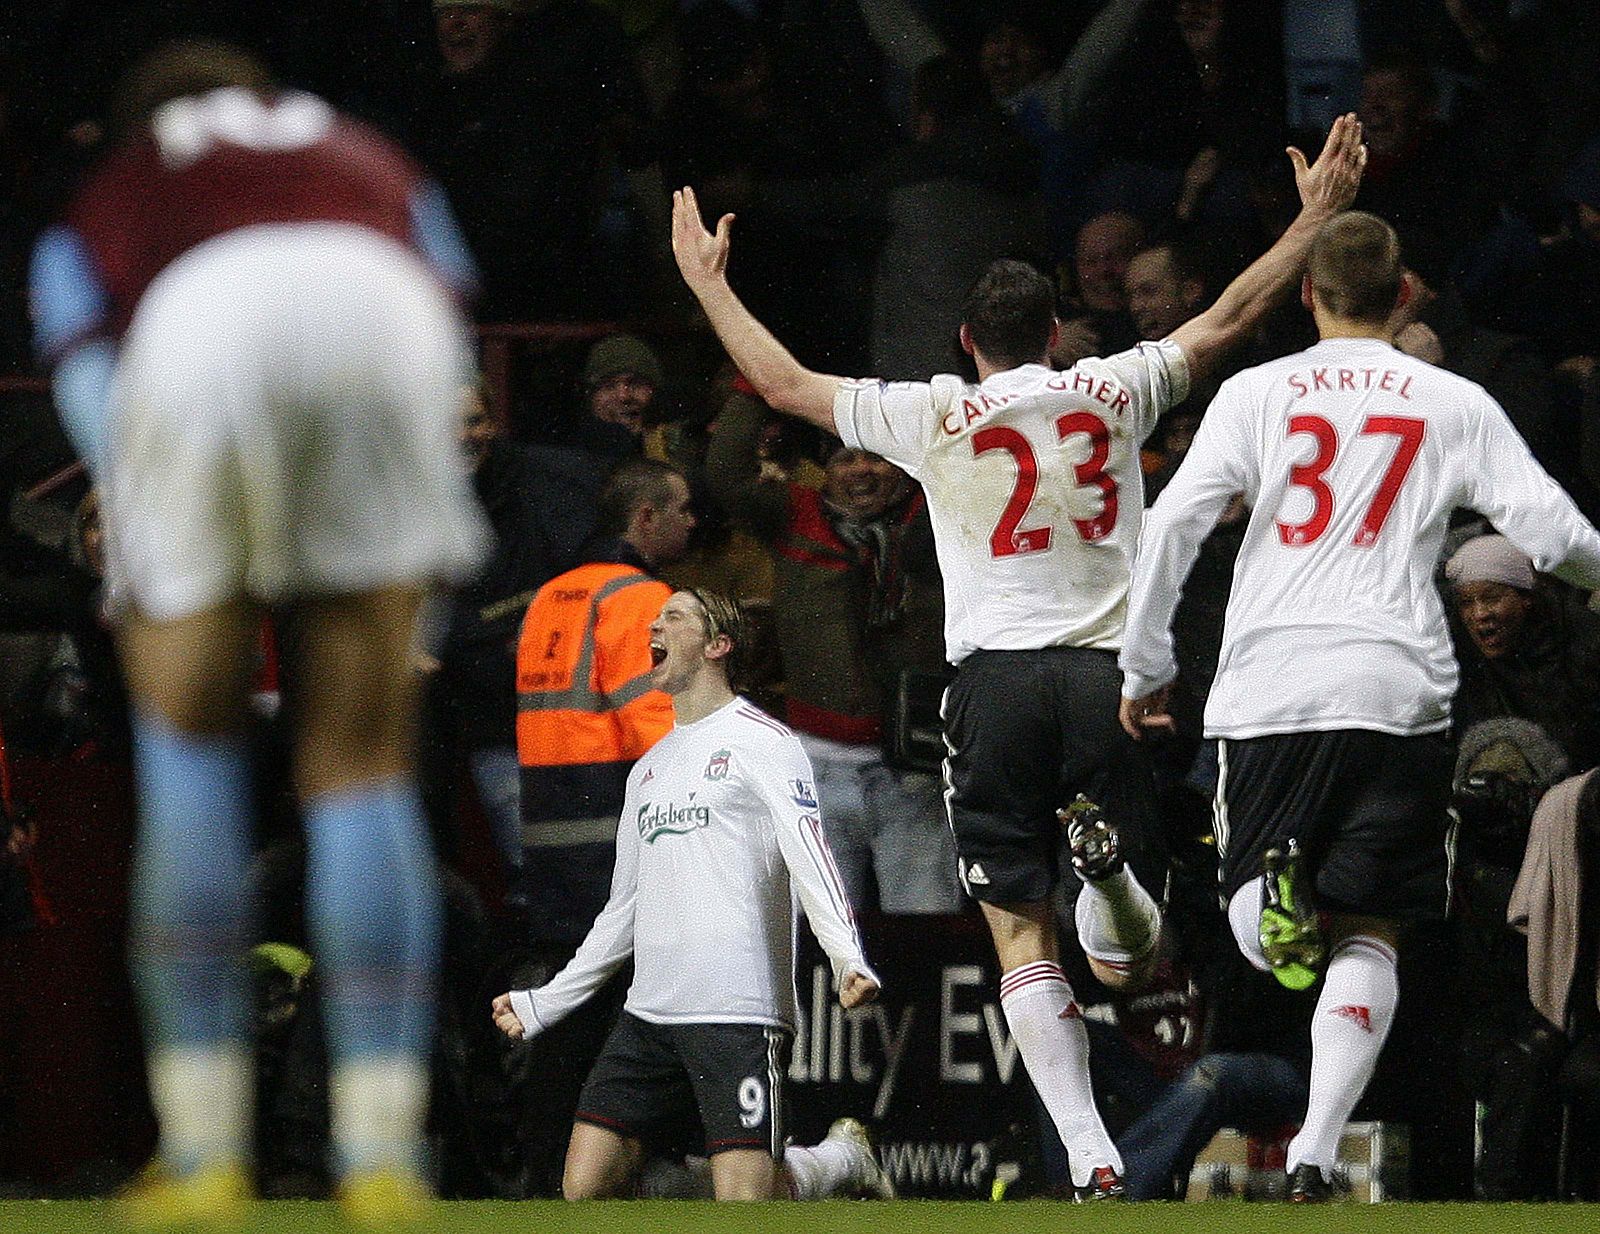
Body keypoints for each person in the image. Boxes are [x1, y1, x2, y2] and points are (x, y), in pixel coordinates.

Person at [672, 111, 1368, 1197]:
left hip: (991, 684)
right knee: (1124, 959)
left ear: (966, 342)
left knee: (1013, 931)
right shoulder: (1117, 387)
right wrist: (1314, 219)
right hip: (1106, 678)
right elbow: (1230, 314)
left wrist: (710, 286)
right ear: (1054, 330)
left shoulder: (934, 412)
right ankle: (1103, 877)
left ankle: (1089, 1152)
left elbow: (789, 386)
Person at [27, 41, 490, 1224]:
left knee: (194, 756)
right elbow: (447, 279)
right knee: (363, 771)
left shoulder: (126, 185)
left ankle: (204, 1154)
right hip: (385, 325)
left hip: (201, 330)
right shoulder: (357, 147)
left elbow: (78, 338)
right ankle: (382, 1162)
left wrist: (142, 508)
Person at [1117, 210, 1600, 1200]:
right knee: (1372, 931)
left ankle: (1275, 905)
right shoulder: (1448, 397)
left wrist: (1143, 664)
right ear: (1405, 293)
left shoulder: (1256, 392)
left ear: (1305, 294)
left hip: (1269, 688)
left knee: (1258, 931)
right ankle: (1312, 1156)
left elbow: (1169, 527)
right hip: (1394, 689)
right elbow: (1547, 530)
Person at [492, 588, 885, 1200]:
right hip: (648, 1014)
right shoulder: (648, 769)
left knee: (747, 1203)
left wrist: (846, 956)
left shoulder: (766, 741)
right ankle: (735, 1172)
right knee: (583, 1188)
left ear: (717, 646)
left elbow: (811, 852)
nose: (655, 624)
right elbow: (621, 912)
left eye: (673, 616)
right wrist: (547, 1002)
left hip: (737, 1010)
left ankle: (835, 1163)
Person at [516, 457, 695, 947]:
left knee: (565, 972)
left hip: (545, 813)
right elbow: (653, 714)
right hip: (615, 816)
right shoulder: (642, 597)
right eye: (682, 508)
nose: (692, 520)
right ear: (645, 518)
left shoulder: (552, 594)